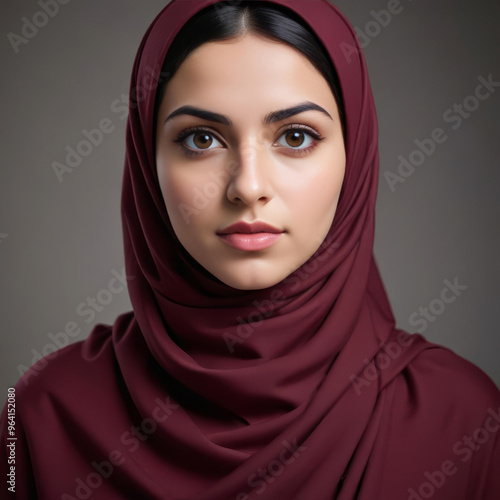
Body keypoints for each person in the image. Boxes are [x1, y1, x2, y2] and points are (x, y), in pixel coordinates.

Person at [1, 0, 499, 498]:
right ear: (145, 161)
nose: (248, 185)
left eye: (296, 136)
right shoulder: (36, 416)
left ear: (356, 154)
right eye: (200, 139)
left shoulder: (463, 420)